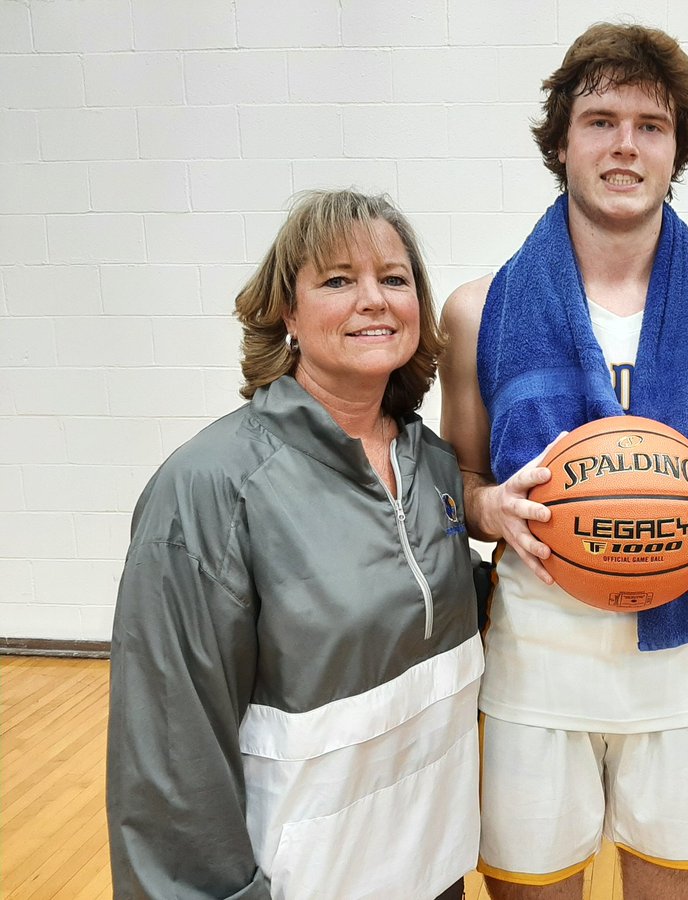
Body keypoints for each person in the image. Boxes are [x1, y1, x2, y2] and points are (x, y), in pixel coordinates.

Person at [438, 22, 688, 900]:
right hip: (537, 660)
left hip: (681, 660)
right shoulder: (479, 311)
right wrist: (489, 508)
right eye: (600, 120)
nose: (625, 144)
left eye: (650, 125)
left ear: (676, 151)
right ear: (561, 142)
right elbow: (458, 490)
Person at [106, 190, 482, 900]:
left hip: (432, 867)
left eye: (394, 279)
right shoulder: (210, 487)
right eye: (338, 280)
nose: (373, 299)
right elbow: (169, 750)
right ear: (289, 312)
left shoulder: (429, 463)